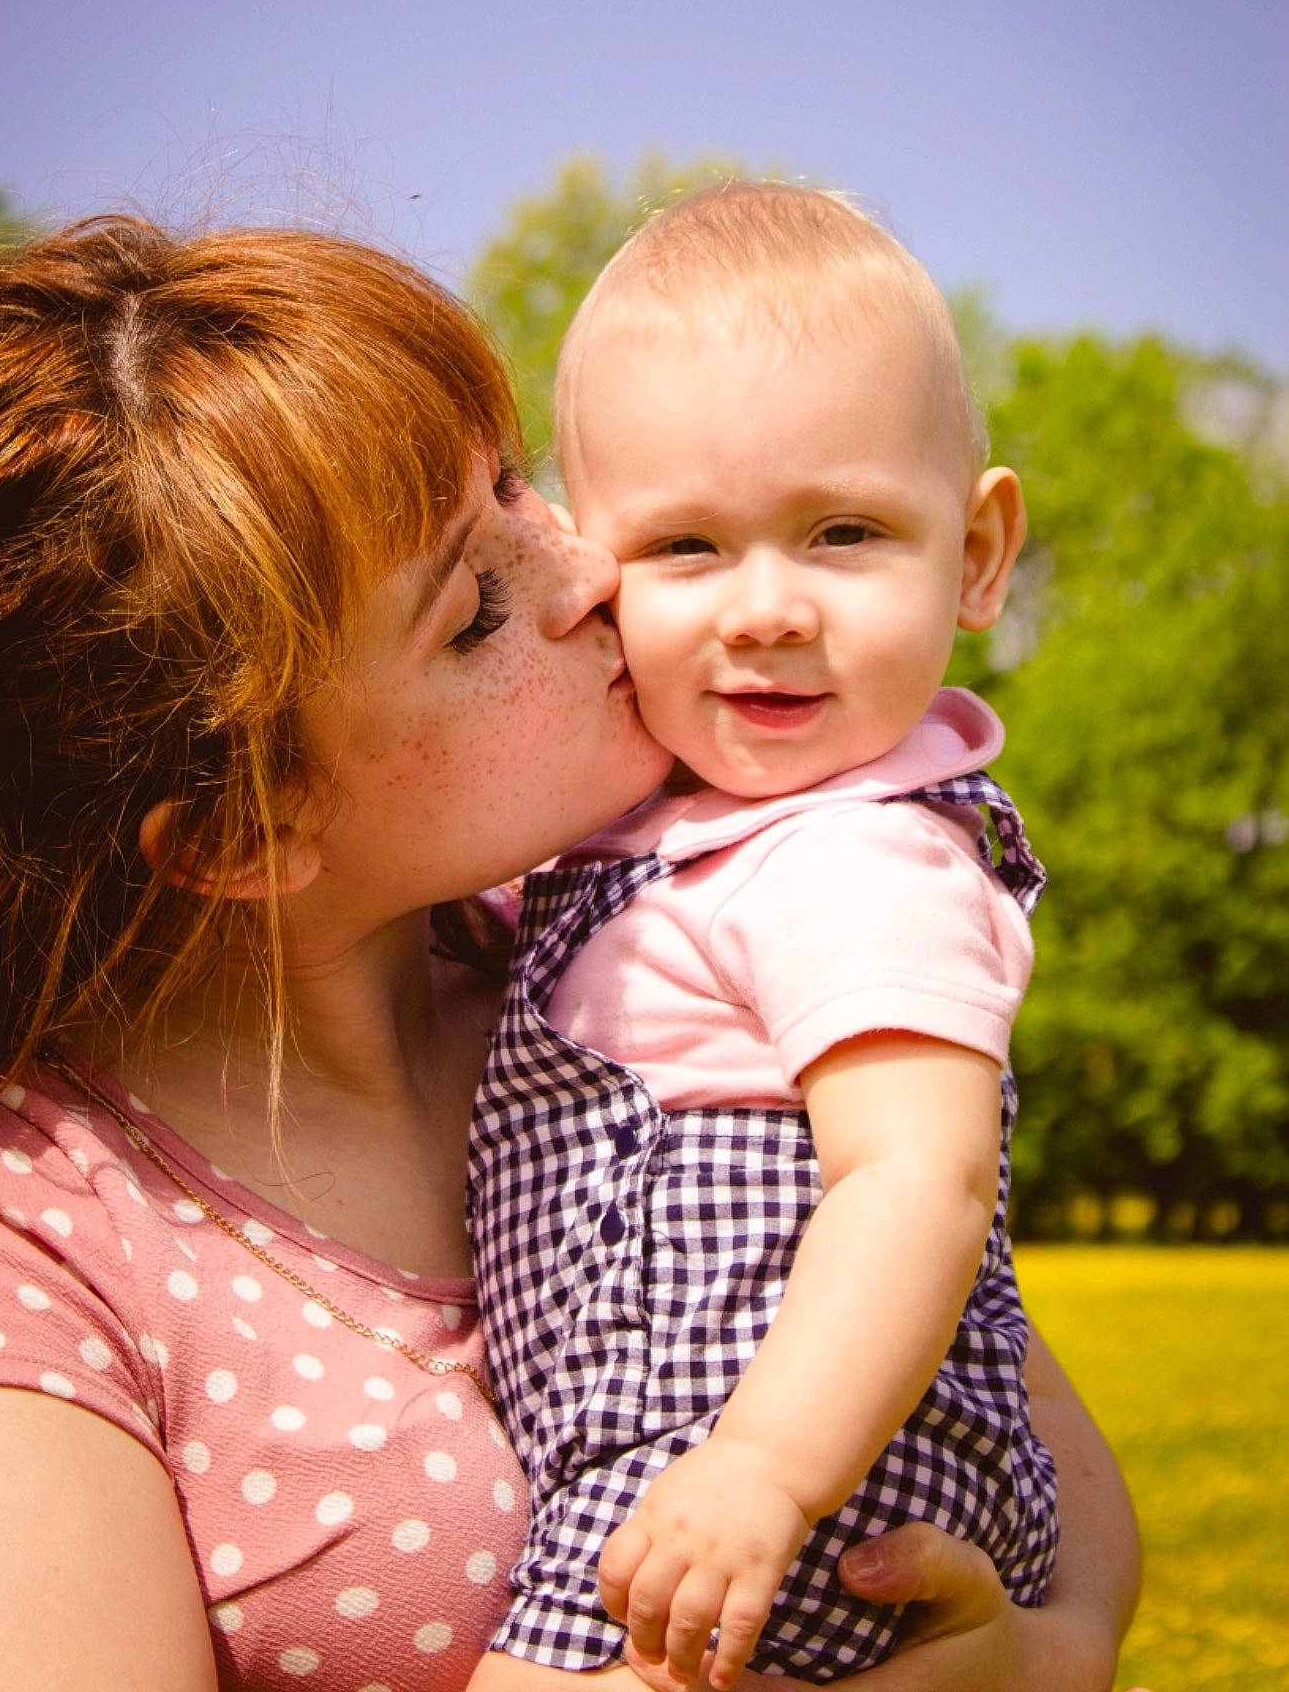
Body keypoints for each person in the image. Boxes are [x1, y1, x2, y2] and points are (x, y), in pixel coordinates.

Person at [0, 215, 1141, 1692]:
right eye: (473, 609)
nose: (587, 565)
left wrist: (1041, 1663)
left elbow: (1023, 1423)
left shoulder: (631, 960)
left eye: (510, 481)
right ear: (244, 832)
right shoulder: (17, 1248)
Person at [468, 184, 1054, 1688]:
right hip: (703, 1460)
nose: (767, 607)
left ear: (978, 555)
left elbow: (919, 1171)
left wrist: (768, 1468)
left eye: (842, 530)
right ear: (583, 571)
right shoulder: (669, 843)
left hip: (792, 1463)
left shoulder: (855, 855)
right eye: (685, 548)